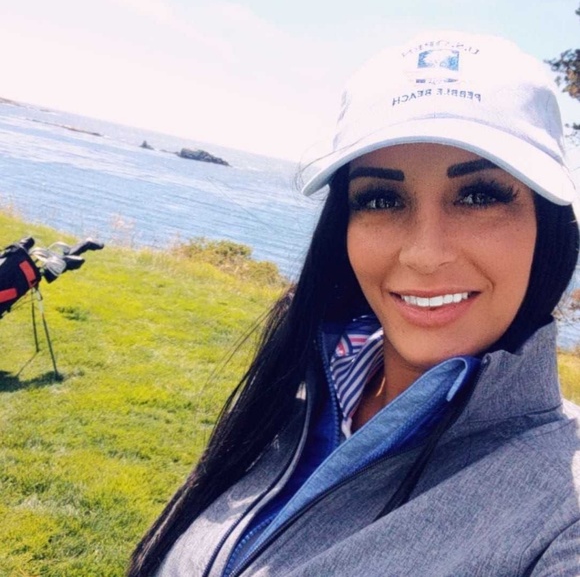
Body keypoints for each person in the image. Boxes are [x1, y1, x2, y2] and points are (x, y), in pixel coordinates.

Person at [128, 31, 580, 576]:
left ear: (547, 224)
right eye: (382, 199)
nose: (424, 254)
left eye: (479, 195)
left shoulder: (565, 510)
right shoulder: (297, 391)